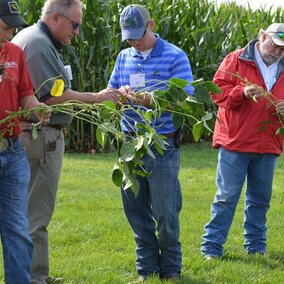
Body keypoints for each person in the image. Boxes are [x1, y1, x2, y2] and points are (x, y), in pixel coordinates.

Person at [12, 0, 123, 283]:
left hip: (34, 136)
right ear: (56, 18)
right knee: (37, 212)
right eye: (75, 25)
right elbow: (49, 97)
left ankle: (35, 274)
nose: (77, 31)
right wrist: (97, 98)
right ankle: (34, 278)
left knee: (32, 211)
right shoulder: (37, 44)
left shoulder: (36, 40)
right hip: (40, 139)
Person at [108, 4, 194, 283]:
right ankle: (147, 269)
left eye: (138, 35)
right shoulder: (123, 57)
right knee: (134, 209)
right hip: (130, 146)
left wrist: (147, 99)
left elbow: (185, 102)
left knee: (166, 211)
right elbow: (112, 91)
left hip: (162, 145)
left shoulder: (174, 57)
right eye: (129, 37)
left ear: (152, 25)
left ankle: (171, 268)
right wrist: (118, 95)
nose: (134, 42)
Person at [201, 23, 284, 260]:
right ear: (262, 37)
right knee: (226, 197)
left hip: (268, 143)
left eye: (283, 49)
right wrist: (242, 93)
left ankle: (256, 248)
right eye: (275, 45)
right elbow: (215, 91)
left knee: (260, 199)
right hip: (235, 141)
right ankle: (212, 248)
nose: (278, 52)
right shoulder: (236, 59)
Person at [0, 0, 50, 283]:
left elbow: (24, 96)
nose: (10, 32)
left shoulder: (15, 53)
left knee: (18, 230)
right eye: (5, 25)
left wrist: (37, 109)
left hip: (12, 152)